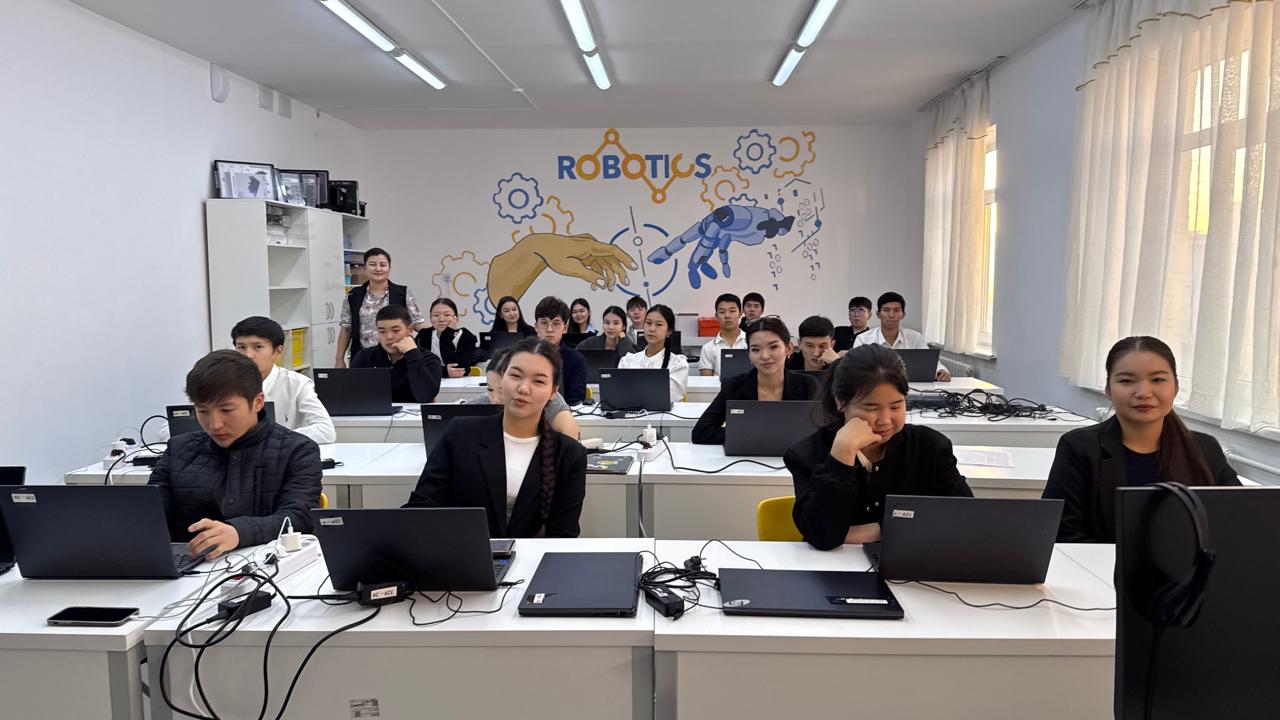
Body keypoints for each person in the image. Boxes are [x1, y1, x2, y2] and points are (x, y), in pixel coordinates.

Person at [1043, 336, 1239, 543]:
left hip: (1190, 564)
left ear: (1175, 387)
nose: (1143, 393)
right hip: (1100, 564)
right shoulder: (1080, 447)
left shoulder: (1204, 448)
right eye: (1126, 381)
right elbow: (1063, 534)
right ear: (1108, 389)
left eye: (1158, 380)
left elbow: (1241, 520)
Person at [785, 344, 972, 550]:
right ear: (841, 402)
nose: (885, 420)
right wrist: (842, 455)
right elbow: (822, 536)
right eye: (871, 407)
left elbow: (963, 515)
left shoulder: (930, 447)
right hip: (833, 567)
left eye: (896, 406)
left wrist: (880, 529)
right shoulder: (807, 454)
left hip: (912, 561)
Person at [406, 338, 588, 538]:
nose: (523, 388)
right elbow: (422, 507)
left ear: (553, 392)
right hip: (462, 551)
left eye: (538, 381)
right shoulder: (460, 433)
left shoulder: (569, 454)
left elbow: (563, 535)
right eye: (515, 375)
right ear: (502, 379)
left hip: (532, 556)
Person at [151, 351, 321, 560]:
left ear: (258, 402)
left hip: (268, 566)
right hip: (186, 565)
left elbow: (298, 517)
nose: (214, 424)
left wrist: (239, 532)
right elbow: (149, 514)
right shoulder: (179, 449)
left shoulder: (298, 450)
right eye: (203, 412)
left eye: (227, 410)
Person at [692, 317, 818, 444]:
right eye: (756, 350)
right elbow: (701, 432)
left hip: (792, 455)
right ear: (749, 355)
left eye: (773, 347)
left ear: (788, 348)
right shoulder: (734, 386)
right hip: (747, 455)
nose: (765, 356)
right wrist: (753, 434)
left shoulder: (807, 385)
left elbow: (821, 432)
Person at [231, 316, 335, 444]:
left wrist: (278, 438)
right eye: (241, 347)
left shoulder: (297, 384)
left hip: (281, 451)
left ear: (278, 352)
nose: (248, 355)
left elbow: (326, 431)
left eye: (257, 347)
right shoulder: (224, 383)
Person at [336, 247, 428, 367]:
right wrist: (339, 359)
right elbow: (346, 328)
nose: (378, 269)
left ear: (389, 268)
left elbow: (417, 323)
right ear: (365, 268)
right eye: (373, 264)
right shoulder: (353, 295)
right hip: (364, 359)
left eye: (383, 265)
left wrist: (438, 326)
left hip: (397, 357)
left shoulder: (402, 293)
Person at [469, 348, 581, 439]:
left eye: (501, 389)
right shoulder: (483, 401)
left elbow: (571, 437)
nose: (495, 399)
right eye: (490, 389)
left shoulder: (549, 401)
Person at [350, 305, 442, 403]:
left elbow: (426, 396)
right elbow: (351, 395)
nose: (389, 337)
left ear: (410, 330)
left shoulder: (429, 359)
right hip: (375, 412)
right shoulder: (365, 357)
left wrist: (412, 354)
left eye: (395, 330)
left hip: (415, 413)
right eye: (382, 331)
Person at [853, 291, 951, 381]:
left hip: (910, 387)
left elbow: (930, 364)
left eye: (896, 310)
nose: (891, 315)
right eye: (886, 310)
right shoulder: (863, 339)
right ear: (878, 314)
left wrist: (941, 371)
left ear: (903, 314)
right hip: (874, 387)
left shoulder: (915, 338)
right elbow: (854, 368)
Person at [619, 304, 690, 405]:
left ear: (669, 331)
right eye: (648, 323)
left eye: (659, 324)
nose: (652, 329)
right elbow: (620, 394)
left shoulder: (678, 364)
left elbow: (670, 397)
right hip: (631, 413)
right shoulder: (627, 361)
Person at [534, 296, 588, 405]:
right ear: (536, 327)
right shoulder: (525, 357)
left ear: (565, 328)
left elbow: (576, 401)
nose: (550, 329)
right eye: (544, 323)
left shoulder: (576, 360)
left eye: (556, 323)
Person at [416, 298, 478, 379]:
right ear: (430, 319)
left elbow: (460, 369)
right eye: (436, 315)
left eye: (447, 315)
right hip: (430, 382)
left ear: (456, 318)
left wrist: (447, 334)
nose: (441, 319)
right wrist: (444, 371)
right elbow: (417, 367)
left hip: (458, 383)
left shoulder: (467, 337)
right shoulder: (424, 335)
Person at [698, 293, 747, 376]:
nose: (727, 316)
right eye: (722, 312)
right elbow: (706, 380)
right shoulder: (708, 348)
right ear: (716, 316)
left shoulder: (752, 343)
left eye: (732, 311)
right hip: (718, 385)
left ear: (740, 314)